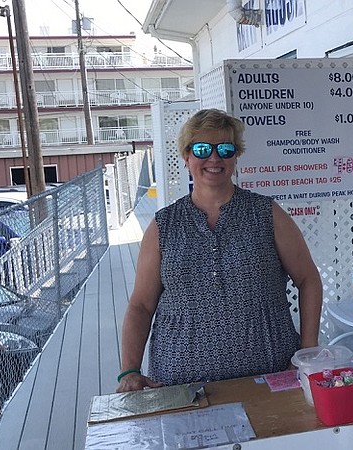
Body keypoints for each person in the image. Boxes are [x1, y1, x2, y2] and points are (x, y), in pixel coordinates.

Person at [117, 109, 323, 392]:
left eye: (225, 149)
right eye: (202, 148)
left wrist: (307, 352)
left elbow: (308, 279)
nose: (214, 158)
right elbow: (141, 305)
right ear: (187, 156)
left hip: (269, 380)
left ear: (235, 157)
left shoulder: (267, 214)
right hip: (180, 385)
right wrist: (129, 370)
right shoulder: (163, 226)